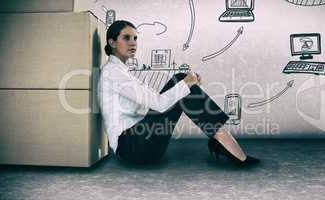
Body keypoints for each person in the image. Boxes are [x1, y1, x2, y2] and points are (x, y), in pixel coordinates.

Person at [97, 20, 259, 166]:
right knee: (181, 81)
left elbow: (155, 100)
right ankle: (223, 140)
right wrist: (186, 83)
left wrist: (187, 85)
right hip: (132, 147)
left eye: (135, 38)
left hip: (139, 144)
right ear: (112, 42)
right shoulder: (113, 72)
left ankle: (221, 138)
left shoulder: (121, 71)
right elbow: (159, 104)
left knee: (181, 84)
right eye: (126, 38)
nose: (133, 43)